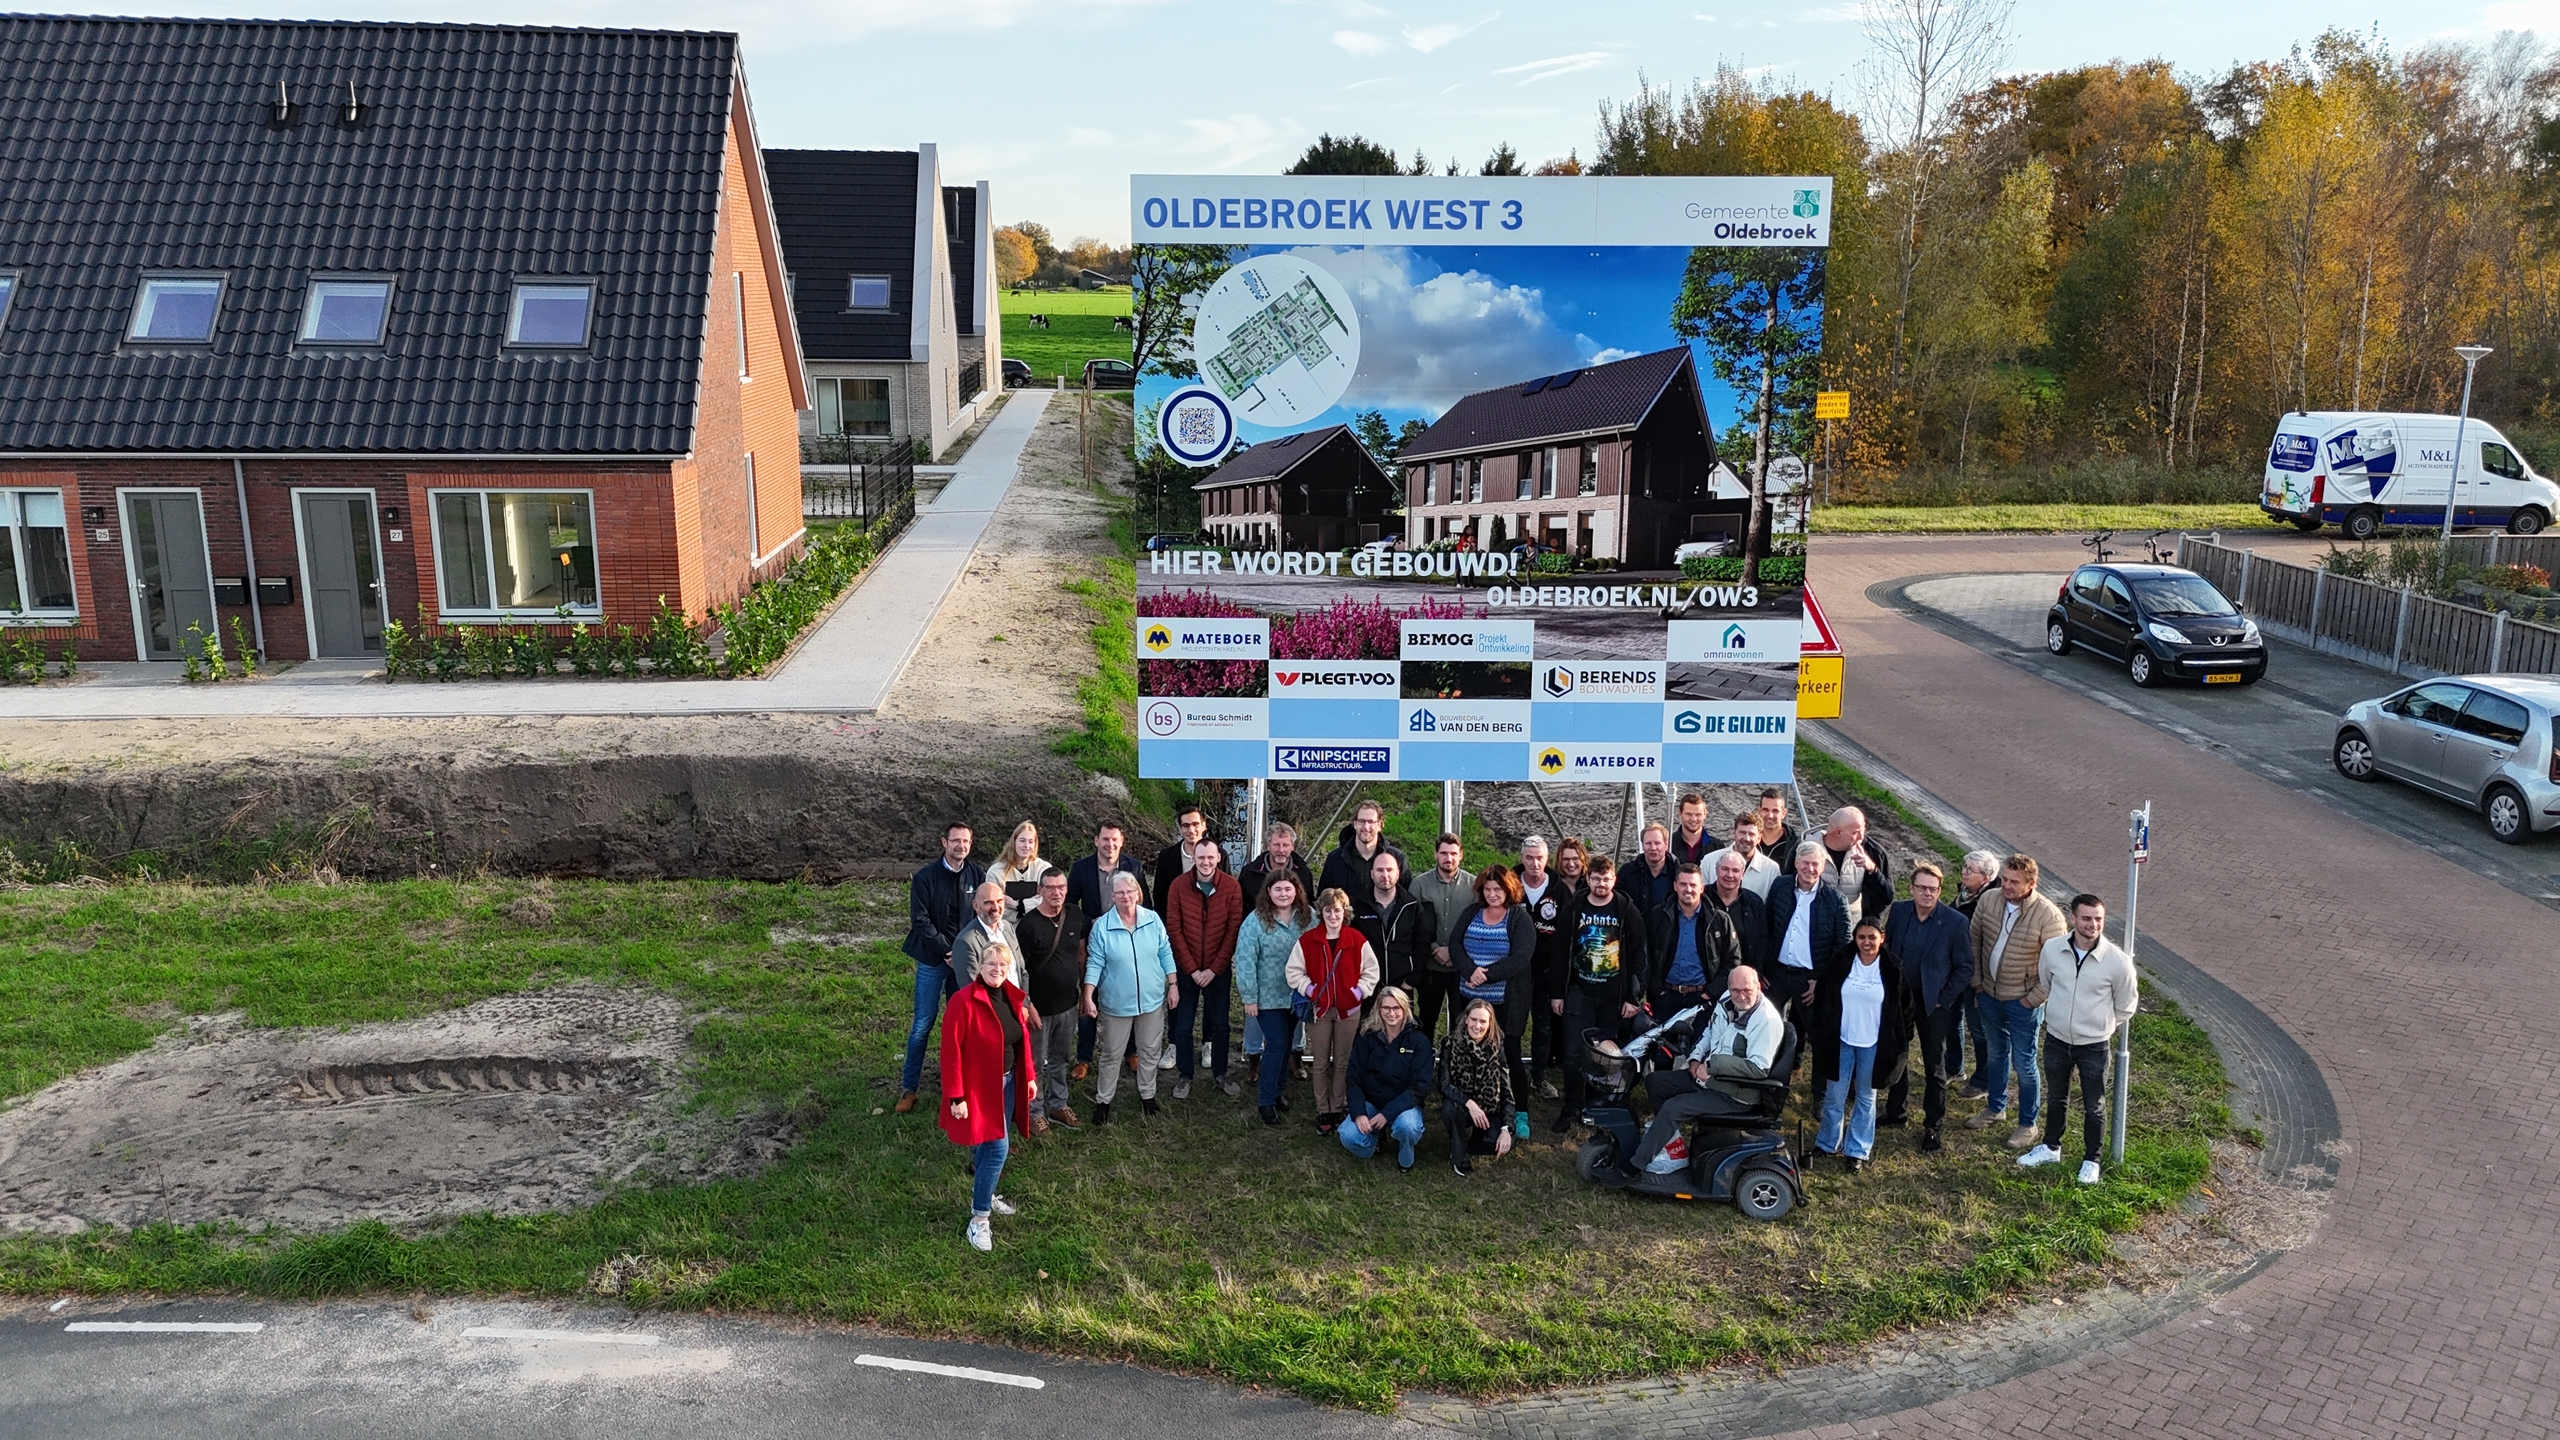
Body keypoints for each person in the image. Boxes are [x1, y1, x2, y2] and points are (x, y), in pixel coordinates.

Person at [1616, 964, 1784, 1174]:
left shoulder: (1765, 1021)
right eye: (1735, 990)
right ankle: (1673, 1149)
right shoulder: (1725, 1001)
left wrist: (1713, 1066)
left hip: (1735, 1094)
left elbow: (1759, 1069)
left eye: (1747, 991)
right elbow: (1709, 1033)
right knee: (1655, 1082)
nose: (1740, 996)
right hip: (1710, 1078)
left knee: (1673, 1108)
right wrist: (1695, 1059)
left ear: (1758, 987)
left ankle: (1633, 1167)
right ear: (1728, 987)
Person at [2019, 894, 2139, 1184]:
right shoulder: (2052, 949)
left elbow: (2126, 1005)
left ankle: (2091, 1159)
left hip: (2094, 1045)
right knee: (2056, 1096)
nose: (2093, 924)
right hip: (2058, 1038)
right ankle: (2050, 1147)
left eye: (2098, 919)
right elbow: (2047, 983)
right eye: (2086, 918)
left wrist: (2100, 1026)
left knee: (2093, 1103)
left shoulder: (2117, 962)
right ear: (2073, 918)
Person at [940, 940, 1036, 1252]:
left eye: (1002, 965)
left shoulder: (1010, 997)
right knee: (998, 1149)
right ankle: (979, 1220)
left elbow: (1021, 1042)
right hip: (979, 1089)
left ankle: (987, 1191)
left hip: (1008, 1084)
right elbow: (951, 1052)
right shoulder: (962, 1001)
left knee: (988, 1145)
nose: (997, 970)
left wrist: (1030, 1077)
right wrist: (956, 1096)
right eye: (991, 964)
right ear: (979, 967)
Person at [1968, 854, 2067, 1149]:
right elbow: (1974, 939)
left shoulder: (2049, 916)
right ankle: (1995, 1108)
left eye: (2014, 882)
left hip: (2022, 1003)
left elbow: (2055, 967)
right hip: (1989, 995)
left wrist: (2032, 999)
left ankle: (2027, 1124)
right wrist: (1977, 981)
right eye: (2004, 880)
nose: (2007, 886)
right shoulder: (1989, 901)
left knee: (2024, 1063)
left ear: (2031, 884)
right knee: (1996, 1055)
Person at [1552, 855, 1648, 1133]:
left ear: (1613, 880)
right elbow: (1559, 952)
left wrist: (1633, 997)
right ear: (1588, 879)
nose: (1601, 884)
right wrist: (1557, 993)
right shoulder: (1574, 908)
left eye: (1606, 879)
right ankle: (1572, 1107)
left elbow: (1640, 953)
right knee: (1572, 1053)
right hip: (1579, 990)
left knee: (1608, 1055)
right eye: (1596, 878)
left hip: (1613, 995)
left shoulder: (1626, 908)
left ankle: (1603, 1104)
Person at [1883, 861, 1973, 1152]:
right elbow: (1888, 949)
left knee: (1935, 1064)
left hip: (1933, 1003)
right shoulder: (1898, 911)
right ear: (1911, 888)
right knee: (1898, 1055)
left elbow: (1964, 967)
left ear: (1939, 891)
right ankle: (1896, 1111)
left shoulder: (1955, 922)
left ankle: (1933, 1124)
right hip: (1900, 998)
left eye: (1933, 889)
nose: (1926, 894)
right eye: (1921, 888)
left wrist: (1942, 999)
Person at [899, 821, 984, 1114]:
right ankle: (909, 1088)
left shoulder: (978, 875)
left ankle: (958, 1089)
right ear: (944, 843)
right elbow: (920, 921)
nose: (961, 846)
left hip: (964, 962)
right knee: (922, 1026)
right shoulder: (924, 878)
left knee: (961, 1027)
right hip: (933, 960)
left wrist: (962, 952)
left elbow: (982, 914)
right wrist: (947, 950)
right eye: (956, 841)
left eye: (966, 842)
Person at [1810, 918, 1905, 1174]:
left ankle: (1857, 1150)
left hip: (1873, 1044)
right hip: (1841, 1040)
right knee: (1834, 1097)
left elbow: (1903, 1007)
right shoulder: (1841, 962)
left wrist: (1897, 1038)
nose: (1866, 942)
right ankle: (1828, 1143)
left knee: (1866, 1098)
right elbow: (1824, 995)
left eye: (1871, 937)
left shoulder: (1892, 968)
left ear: (1881, 938)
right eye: (1861, 937)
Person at [1081, 872, 1177, 1124]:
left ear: (1138, 894)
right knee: (1112, 1053)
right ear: (1112, 897)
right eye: (1120, 893)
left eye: (1130, 892)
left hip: (1151, 1000)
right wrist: (1088, 994)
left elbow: (1165, 951)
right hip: (1117, 1003)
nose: (1126, 897)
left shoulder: (1152, 920)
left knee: (1149, 1050)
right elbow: (1095, 962)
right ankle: (1104, 1100)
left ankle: (1148, 1095)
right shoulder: (1102, 926)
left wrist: (1173, 984)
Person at [1288, 887, 1378, 1133]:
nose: (1333, 915)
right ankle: (1322, 1109)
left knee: (1342, 1062)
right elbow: (1293, 971)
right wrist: (1310, 989)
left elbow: (1371, 971)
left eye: (1337, 910)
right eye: (1328, 910)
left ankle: (1338, 1107)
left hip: (1348, 1011)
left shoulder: (1356, 940)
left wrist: (1358, 992)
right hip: (1319, 1010)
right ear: (1321, 912)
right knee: (1319, 1062)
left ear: (1344, 912)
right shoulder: (1308, 941)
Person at [1064, 822, 1146, 1079]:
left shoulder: (1134, 867)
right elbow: (1070, 907)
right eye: (1105, 839)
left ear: (1122, 842)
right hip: (1093, 943)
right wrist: (1091, 922)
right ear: (1096, 841)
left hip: (1127, 944)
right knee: (1090, 997)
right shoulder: (1080, 869)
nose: (1110, 845)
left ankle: (1131, 1052)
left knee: (1127, 996)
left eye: (1115, 840)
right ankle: (1084, 1058)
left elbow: (1146, 904)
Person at [1452, 862, 1538, 1108]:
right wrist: (1470, 970)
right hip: (1471, 999)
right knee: (1470, 1053)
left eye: (1498, 889)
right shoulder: (1471, 912)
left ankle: (1519, 1109)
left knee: (1509, 1055)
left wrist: (1485, 976)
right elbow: (1455, 943)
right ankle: (1473, 1105)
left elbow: (1521, 957)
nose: (1492, 894)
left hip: (1505, 1002)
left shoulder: (1519, 918)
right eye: (1488, 889)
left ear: (1508, 890)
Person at [1163, 836, 1243, 1100]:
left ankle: (1220, 1073)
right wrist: (1191, 968)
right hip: (1187, 970)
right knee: (1183, 1027)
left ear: (1218, 858)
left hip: (1217, 971)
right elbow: (1174, 929)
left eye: (1211, 857)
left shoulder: (1231, 887)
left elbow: (1233, 931)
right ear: (1193, 859)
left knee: (1221, 1025)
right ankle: (1185, 1076)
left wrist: (1214, 969)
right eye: (1201, 858)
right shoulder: (1178, 886)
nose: (1206, 862)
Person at [1234, 874, 1313, 1125]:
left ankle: (1278, 1093)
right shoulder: (1255, 921)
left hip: (1297, 994)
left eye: (1288, 889)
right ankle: (1266, 1101)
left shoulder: (1308, 917)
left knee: (1287, 1043)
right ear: (1268, 892)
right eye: (1277, 889)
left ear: (1296, 890)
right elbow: (1245, 961)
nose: (1283, 894)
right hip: (1267, 997)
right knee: (1277, 1044)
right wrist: (1249, 998)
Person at [1014, 869, 1088, 1130]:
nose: (1056, 893)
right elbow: (1018, 969)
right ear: (1040, 891)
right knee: (1034, 1063)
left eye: (1061, 887)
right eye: (1050, 888)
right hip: (1039, 1009)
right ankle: (1034, 1112)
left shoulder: (1075, 916)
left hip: (1068, 1004)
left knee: (1061, 1059)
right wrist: (1027, 1004)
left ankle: (1059, 1105)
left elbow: (1081, 954)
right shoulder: (1029, 925)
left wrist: (1084, 993)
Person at [1338, 984, 1433, 1172]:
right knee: (1347, 1136)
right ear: (1378, 1010)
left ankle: (1405, 1149)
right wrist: (1359, 1113)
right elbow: (1353, 1078)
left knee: (1408, 1127)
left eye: (1396, 1008)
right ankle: (1375, 1141)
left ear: (1405, 1010)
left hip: (1404, 1106)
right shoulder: (1366, 1037)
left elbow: (1420, 1087)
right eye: (1386, 1008)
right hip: (1371, 1102)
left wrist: (1386, 1114)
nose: (1391, 1013)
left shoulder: (1419, 1041)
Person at [1761, 841, 1847, 1033]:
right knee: (1765, 1027)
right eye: (1805, 863)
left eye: (1815, 864)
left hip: (1810, 980)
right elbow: (1766, 927)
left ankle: (1796, 1062)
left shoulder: (1836, 899)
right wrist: (1763, 968)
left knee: (1815, 1032)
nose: (1810, 868)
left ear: (1822, 867)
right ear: (1797, 863)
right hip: (1776, 975)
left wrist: (1821, 981)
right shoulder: (1780, 886)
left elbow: (1842, 946)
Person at [1647, 862, 1743, 1023]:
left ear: (1701, 888)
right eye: (1683, 884)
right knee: (1662, 1047)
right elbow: (1646, 955)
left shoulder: (1719, 919)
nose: (1688, 889)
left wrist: (1711, 992)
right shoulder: (1658, 916)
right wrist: (1657, 990)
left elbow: (1733, 961)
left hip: (1703, 998)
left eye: (1693, 885)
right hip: (1666, 997)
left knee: (1700, 1047)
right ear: (1675, 886)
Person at [1407, 832, 1476, 1038]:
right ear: (1436, 854)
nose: (1449, 858)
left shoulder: (1473, 887)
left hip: (1460, 968)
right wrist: (1435, 948)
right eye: (1444, 853)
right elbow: (1412, 925)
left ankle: (1454, 1066)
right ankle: (1424, 1065)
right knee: (1426, 1020)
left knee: (1461, 1021)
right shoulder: (1419, 885)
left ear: (1461, 855)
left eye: (1454, 853)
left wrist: (1453, 952)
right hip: (1430, 967)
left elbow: (1476, 926)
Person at [1518, 836, 1571, 1098]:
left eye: (1539, 858)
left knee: (1543, 1027)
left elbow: (1564, 938)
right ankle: (1508, 1073)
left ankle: (1538, 1078)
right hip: (1513, 972)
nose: (1534, 863)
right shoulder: (1509, 884)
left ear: (1547, 859)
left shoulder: (1559, 891)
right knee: (1511, 1026)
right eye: (1529, 857)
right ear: (1522, 858)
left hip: (1545, 973)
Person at [1440, 998, 1516, 1176]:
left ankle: (1474, 1139)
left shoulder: (1497, 1047)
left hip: (1489, 1109)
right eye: (1473, 1019)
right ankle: (1459, 1155)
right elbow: (1444, 1085)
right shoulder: (1450, 1044)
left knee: (1503, 1143)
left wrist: (1506, 1129)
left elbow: (1506, 1090)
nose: (1477, 1026)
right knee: (1449, 1109)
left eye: (1483, 1021)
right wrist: (1469, 1103)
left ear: (1490, 1024)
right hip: (1463, 1106)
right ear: (1466, 1019)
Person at [1950, 849, 2004, 1096]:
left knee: (1978, 1029)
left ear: (1986, 877)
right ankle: (1953, 1066)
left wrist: (1979, 980)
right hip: (1954, 969)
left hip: (1976, 975)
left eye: (1970, 870)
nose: (1964, 872)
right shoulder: (1964, 893)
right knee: (1951, 1020)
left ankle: (1983, 1080)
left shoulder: (1992, 900)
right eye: (1964, 867)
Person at [1353, 848, 1433, 1004]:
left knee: (1401, 1028)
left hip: (1401, 988)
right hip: (1368, 988)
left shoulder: (1411, 906)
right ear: (1372, 874)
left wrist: (1411, 981)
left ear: (1398, 873)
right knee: (1368, 1028)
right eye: (1380, 870)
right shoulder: (1358, 906)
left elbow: (1422, 944)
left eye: (1390, 870)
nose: (1385, 875)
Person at [1318, 799, 1406, 900]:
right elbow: (1323, 900)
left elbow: (1407, 902)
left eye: (1371, 822)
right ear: (1355, 824)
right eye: (1361, 821)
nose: (1366, 827)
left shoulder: (1396, 858)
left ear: (1380, 825)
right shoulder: (1335, 859)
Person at [1821, 807, 1894, 927]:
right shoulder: (1808, 848)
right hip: (1814, 928)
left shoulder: (1873, 852)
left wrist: (1873, 870)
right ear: (1839, 832)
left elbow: (1886, 897)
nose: (1861, 837)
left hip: (1852, 930)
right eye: (1855, 832)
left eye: (1863, 830)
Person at [1704, 851, 1772, 978]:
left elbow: (1761, 941)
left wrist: (1756, 973)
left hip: (1742, 977)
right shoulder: (1702, 898)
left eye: (1735, 870)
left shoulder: (1754, 903)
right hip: (1707, 976)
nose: (1730, 875)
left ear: (1743, 874)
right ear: (1716, 871)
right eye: (1725, 869)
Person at [1702, 812, 1781, 900]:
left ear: (1759, 838)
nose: (1746, 838)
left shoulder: (1771, 870)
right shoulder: (1709, 861)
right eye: (1742, 833)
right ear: (1734, 834)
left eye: (1751, 834)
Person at [1237, 821, 1314, 910]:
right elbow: (1239, 907)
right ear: (1268, 846)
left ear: (1292, 846)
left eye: (1285, 845)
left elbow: (1309, 905)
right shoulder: (1249, 873)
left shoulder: (1303, 872)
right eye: (1276, 845)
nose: (1281, 850)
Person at [989, 820, 1051, 926]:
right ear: (1014, 842)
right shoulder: (995, 872)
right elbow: (994, 907)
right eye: (1022, 840)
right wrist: (1032, 904)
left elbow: (1049, 902)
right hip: (1007, 929)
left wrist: (1016, 905)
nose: (1026, 845)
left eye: (1030, 841)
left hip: (1037, 928)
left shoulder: (1044, 869)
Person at [1626, 821, 1678, 914]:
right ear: (1642, 845)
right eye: (1648, 843)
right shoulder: (1627, 873)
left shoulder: (1678, 872)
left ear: (1666, 845)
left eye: (1657, 843)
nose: (1653, 848)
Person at [1754, 789, 1801, 873]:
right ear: (1759, 811)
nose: (1770, 815)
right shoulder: (1749, 840)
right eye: (1766, 810)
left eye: (1775, 811)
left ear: (1783, 813)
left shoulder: (1795, 846)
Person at [1668, 792, 1716, 868]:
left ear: (1705, 814)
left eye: (1698, 814)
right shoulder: (1668, 844)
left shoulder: (1717, 847)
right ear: (1680, 813)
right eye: (1689, 814)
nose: (1693, 819)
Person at [1553, 837, 1591, 902]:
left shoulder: (1591, 884)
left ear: (1583, 860)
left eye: (1575, 859)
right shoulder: (1553, 885)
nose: (1571, 864)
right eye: (1566, 859)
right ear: (1559, 861)